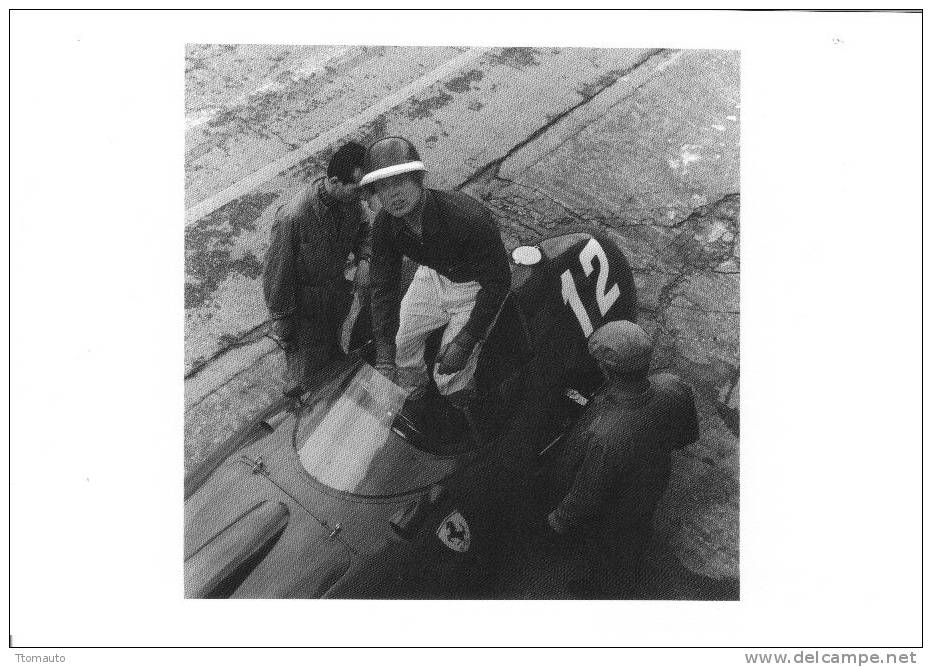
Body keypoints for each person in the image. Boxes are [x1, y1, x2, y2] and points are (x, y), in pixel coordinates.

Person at [545, 320, 700, 598]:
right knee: (638, 529)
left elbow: (587, 494)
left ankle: (605, 588)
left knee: (607, 547)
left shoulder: (605, 437)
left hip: (614, 509)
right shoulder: (673, 385)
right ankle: (633, 559)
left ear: (606, 369)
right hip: (653, 483)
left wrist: (559, 519)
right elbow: (687, 434)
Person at [361, 136, 510, 410]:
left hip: (473, 286)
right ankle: (414, 396)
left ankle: (465, 408)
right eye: (383, 187)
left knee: (449, 374)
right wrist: (384, 355)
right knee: (400, 346)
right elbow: (383, 286)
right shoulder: (384, 224)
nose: (393, 195)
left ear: (419, 180)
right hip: (432, 275)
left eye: (399, 182)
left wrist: (466, 341)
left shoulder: (469, 219)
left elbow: (499, 282)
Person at [262, 141, 372, 396]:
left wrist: (364, 260)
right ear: (334, 181)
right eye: (358, 189)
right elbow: (276, 274)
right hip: (303, 309)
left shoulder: (351, 204)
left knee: (333, 356)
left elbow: (365, 229)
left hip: (333, 298)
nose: (364, 197)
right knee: (306, 376)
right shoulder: (294, 216)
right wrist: (282, 322)